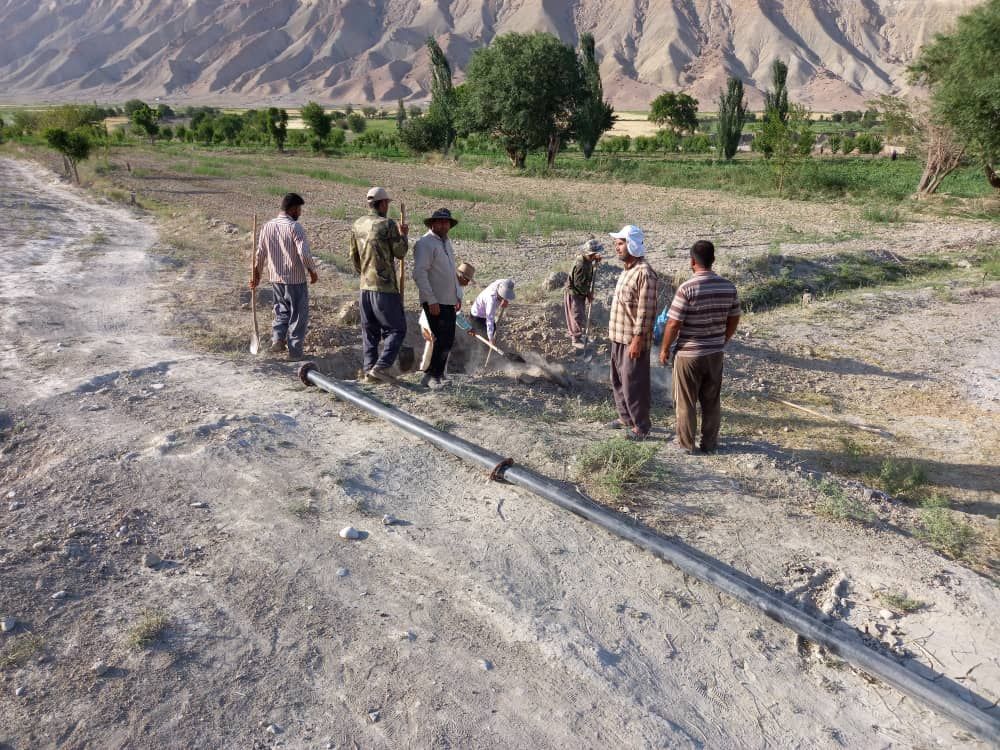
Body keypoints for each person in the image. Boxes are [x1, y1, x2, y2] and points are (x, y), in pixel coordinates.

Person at [658, 239, 740, 453]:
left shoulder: (687, 288)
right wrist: (723, 339)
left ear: (692, 261)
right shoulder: (728, 287)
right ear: (713, 260)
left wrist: (665, 348)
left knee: (685, 402)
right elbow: (734, 317)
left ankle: (686, 444)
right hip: (715, 352)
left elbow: (674, 323)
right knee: (711, 401)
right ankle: (710, 444)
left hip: (689, 354)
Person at [350, 186, 409, 383]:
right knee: (397, 329)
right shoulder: (387, 225)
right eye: (387, 203)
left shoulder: (357, 224)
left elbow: (354, 257)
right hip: (384, 288)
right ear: (383, 204)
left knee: (370, 332)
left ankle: (369, 370)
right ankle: (382, 367)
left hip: (364, 287)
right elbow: (400, 252)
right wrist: (403, 235)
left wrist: (365, 274)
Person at [250, 192, 318, 362]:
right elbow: (304, 253)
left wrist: (256, 276)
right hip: (295, 280)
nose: (300, 213)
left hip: (276, 279)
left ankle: (278, 339)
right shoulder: (295, 227)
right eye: (299, 209)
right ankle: (295, 353)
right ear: (293, 209)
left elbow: (260, 254)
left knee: (281, 311)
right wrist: (312, 270)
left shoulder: (267, 226)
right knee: (298, 315)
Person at [607, 225, 659, 439]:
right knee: (619, 380)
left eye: (620, 243)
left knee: (634, 383)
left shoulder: (645, 273)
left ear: (632, 245)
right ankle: (625, 418)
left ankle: (641, 426)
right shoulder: (627, 271)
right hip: (618, 337)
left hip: (632, 340)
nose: (616, 248)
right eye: (616, 243)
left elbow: (646, 312)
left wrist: (637, 339)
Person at [413, 208, 460, 389]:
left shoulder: (446, 243)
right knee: (440, 339)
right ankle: (430, 376)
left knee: (447, 340)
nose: (443, 225)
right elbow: (419, 273)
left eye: (446, 222)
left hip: (448, 300)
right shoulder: (425, 243)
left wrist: (458, 294)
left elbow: (450, 271)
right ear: (432, 224)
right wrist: (430, 299)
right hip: (435, 300)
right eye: (440, 222)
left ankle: (438, 374)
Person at [418, 261, 476, 373]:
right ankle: (438, 374)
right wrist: (467, 328)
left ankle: (424, 369)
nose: (468, 283)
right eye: (468, 279)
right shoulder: (455, 290)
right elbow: (455, 314)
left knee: (431, 345)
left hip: (426, 319)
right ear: (462, 277)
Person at [565, 238, 603, 349]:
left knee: (580, 314)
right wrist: (588, 294)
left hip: (580, 292)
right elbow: (578, 285)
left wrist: (595, 260)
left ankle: (579, 335)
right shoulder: (581, 266)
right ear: (589, 254)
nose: (595, 256)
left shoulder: (587, 260)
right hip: (574, 293)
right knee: (576, 315)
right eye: (594, 255)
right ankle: (575, 339)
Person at [469, 279, 515, 344]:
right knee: (482, 337)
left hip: (485, 313)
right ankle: (482, 350)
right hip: (477, 316)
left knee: (493, 331)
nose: (503, 298)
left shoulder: (502, 283)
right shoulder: (491, 301)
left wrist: (505, 299)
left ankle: (490, 346)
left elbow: (508, 285)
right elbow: (489, 319)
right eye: (502, 297)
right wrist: (490, 338)